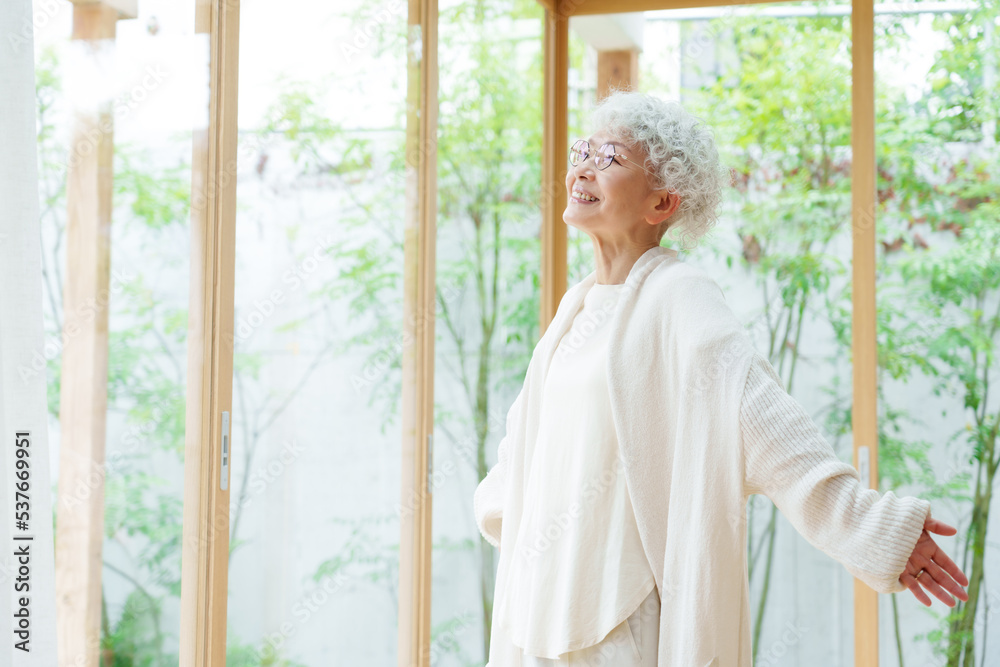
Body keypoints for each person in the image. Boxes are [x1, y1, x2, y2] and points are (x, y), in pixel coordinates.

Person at [473, 90, 969, 667]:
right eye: (582, 150)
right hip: (537, 613)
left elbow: (765, 426)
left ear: (662, 202)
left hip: (618, 624)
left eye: (609, 158)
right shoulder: (576, 309)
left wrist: (873, 526)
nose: (581, 166)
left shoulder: (679, 298)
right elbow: (528, 448)